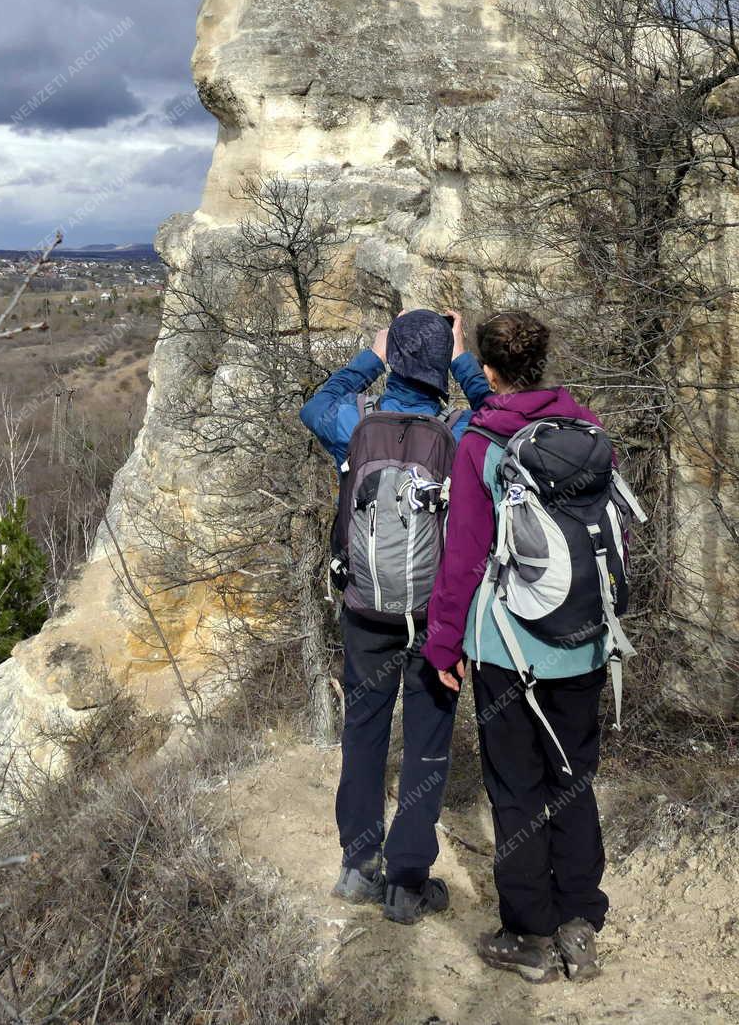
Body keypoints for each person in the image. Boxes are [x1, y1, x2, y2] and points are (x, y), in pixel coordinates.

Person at [422, 311, 614, 985]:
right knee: (573, 778)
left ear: (491, 367)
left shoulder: (482, 442)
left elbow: (465, 557)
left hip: (507, 647)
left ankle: (529, 935)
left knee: (516, 787)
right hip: (585, 642)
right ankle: (580, 923)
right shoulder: (587, 432)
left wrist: (442, 643)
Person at [301, 310, 490, 925]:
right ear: (441, 367)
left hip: (365, 610)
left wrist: (368, 357)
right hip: (436, 618)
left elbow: (317, 405)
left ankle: (358, 868)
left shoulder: (355, 425)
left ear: (396, 360)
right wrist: (464, 360)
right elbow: (501, 426)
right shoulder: (460, 432)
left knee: (364, 733)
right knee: (428, 743)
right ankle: (407, 884)